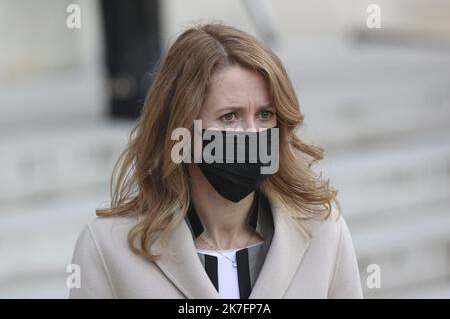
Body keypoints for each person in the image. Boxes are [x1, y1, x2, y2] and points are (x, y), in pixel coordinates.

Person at [69, 23, 363, 299]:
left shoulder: (324, 232)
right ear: (180, 129)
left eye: (264, 115)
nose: (252, 133)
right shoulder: (109, 248)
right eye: (230, 117)